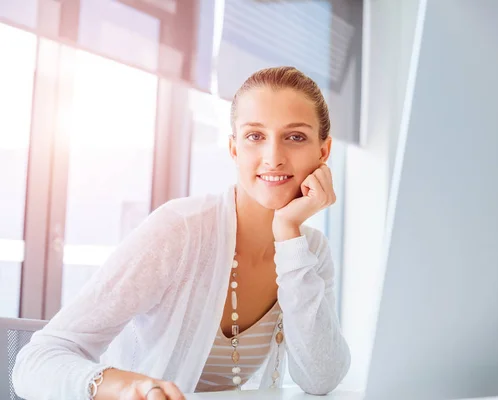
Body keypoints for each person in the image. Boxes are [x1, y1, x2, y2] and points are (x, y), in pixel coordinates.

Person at [12, 66, 351, 400]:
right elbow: (35, 361)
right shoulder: (181, 231)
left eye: (295, 137)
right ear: (234, 149)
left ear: (323, 151)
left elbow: (320, 377)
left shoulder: (309, 251)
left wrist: (289, 233)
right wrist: (126, 387)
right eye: (255, 136)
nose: (273, 157)